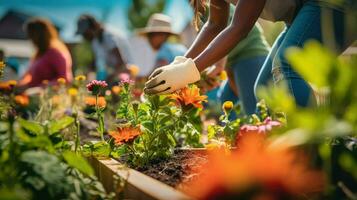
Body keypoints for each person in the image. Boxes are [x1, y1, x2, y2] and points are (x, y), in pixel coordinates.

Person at [145, 0, 356, 108]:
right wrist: (180, 63)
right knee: (265, 88)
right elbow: (214, 24)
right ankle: (283, 155)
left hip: (330, 4)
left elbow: (240, 27)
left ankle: (316, 154)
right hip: (301, 13)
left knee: (287, 66)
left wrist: (190, 70)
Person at [76, 14, 133, 83]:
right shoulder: (95, 40)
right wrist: (87, 73)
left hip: (125, 73)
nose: (84, 37)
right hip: (114, 74)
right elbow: (95, 61)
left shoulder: (108, 36)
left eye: (85, 33)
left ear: (92, 28)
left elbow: (121, 62)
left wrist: (109, 78)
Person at [19, 18, 72, 88]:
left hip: (49, 96)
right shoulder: (39, 53)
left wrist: (41, 88)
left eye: (31, 35)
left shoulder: (55, 52)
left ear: (39, 35)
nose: (30, 39)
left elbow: (65, 79)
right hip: (33, 94)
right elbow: (31, 78)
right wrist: (19, 85)